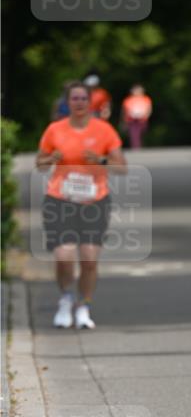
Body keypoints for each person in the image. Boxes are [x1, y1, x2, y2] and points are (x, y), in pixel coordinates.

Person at [36, 80, 127, 330]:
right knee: (64, 256)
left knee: (88, 259)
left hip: (94, 200)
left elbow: (122, 168)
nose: (79, 103)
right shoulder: (55, 130)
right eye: (74, 99)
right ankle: (66, 297)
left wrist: (101, 160)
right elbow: (40, 164)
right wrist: (51, 158)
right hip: (60, 199)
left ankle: (84, 306)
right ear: (67, 102)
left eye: (83, 99)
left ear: (91, 102)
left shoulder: (104, 131)